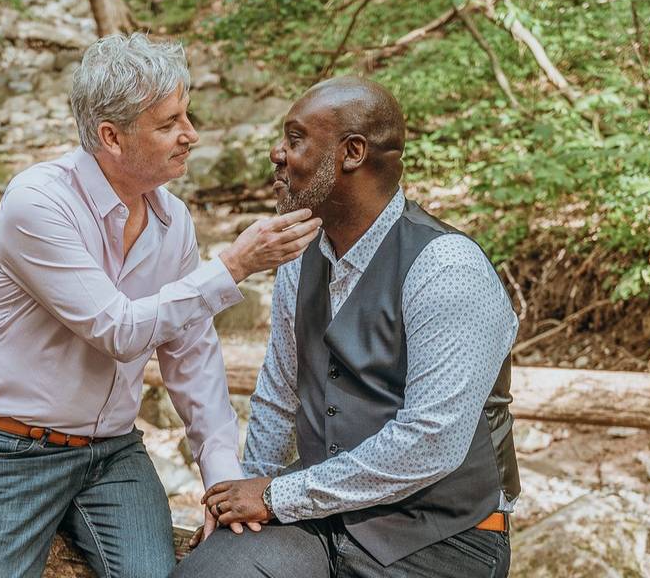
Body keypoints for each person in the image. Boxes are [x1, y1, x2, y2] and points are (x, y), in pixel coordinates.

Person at [0, 33, 321, 578]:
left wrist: (220, 477)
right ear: (111, 137)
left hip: (113, 455)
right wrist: (234, 265)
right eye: (169, 124)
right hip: (10, 450)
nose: (190, 135)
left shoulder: (174, 221)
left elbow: (190, 353)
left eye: (186, 117)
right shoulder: (38, 201)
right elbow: (116, 329)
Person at [173, 76, 521, 578]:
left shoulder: (448, 269)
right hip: (316, 520)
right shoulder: (299, 256)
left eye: (295, 139)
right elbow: (278, 394)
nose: (277, 153)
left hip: (443, 536)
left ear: (351, 153)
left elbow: (432, 442)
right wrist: (241, 501)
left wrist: (274, 495)